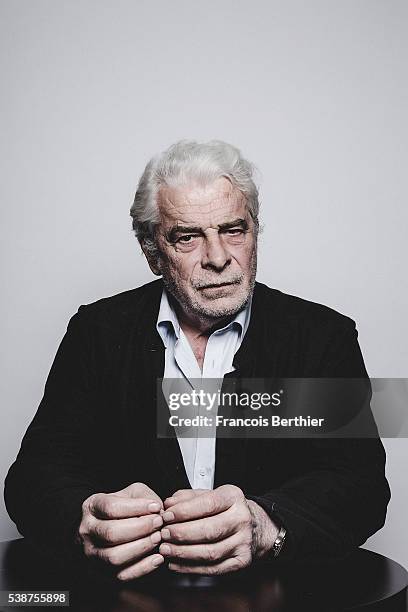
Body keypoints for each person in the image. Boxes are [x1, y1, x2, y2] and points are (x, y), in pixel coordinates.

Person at [4, 140, 390, 582]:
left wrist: (267, 525)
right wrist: (81, 521)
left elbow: (360, 487)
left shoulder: (322, 336)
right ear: (152, 252)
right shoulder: (98, 332)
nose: (219, 258)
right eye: (188, 236)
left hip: (274, 598)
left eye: (234, 230)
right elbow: (34, 478)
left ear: (254, 231)